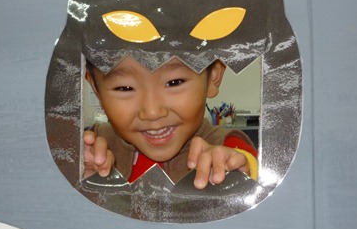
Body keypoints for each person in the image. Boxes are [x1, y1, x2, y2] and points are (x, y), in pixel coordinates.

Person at [82, 56, 257, 189]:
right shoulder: (88, 149)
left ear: (213, 77)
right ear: (96, 89)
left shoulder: (230, 147)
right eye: (125, 88)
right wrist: (77, 181)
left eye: (174, 83)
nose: (152, 112)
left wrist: (240, 179)